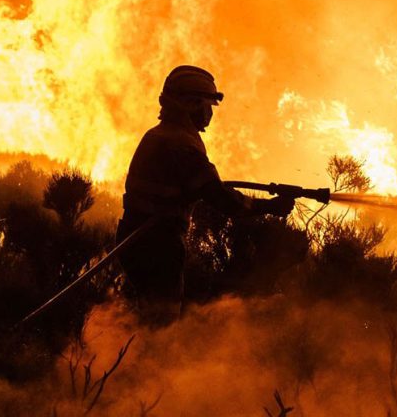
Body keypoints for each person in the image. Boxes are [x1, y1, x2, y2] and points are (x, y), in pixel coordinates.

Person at [116, 65, 294, 327]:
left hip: (137, 238)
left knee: (147, 316)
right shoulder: (180, 144)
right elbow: (218, 196)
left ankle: (132, 358)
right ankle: (148, 363)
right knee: (160, 324)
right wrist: (267, 207)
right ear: (190, 104)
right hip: (156, 244)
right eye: (206, 105)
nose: (209, 113)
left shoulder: (159, 135)